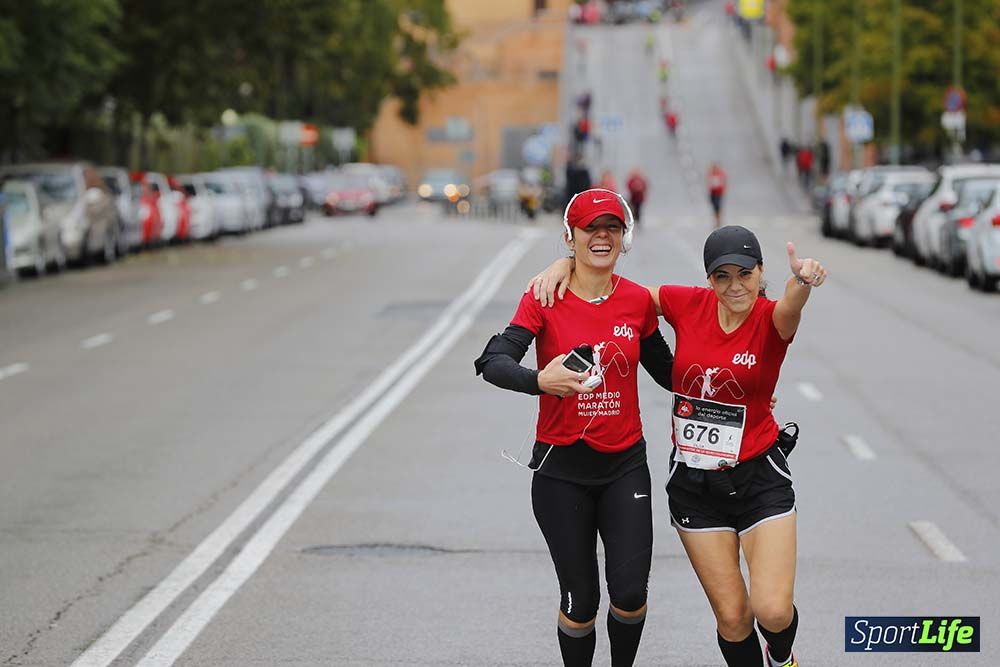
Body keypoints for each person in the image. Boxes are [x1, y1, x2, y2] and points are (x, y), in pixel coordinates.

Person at [526, 225, 828, 667]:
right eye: (722, 275)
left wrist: (802, 281)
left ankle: (781, 658)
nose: (734, 285)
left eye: (744, 273)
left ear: (760, 272)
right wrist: (566, 265)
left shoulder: (769, 317)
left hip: (759, 475)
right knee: (733, 617)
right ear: (708, 279)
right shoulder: (689, 303)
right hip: (694, 484)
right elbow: (617, 290)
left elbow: (791, 307)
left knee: (773, 611)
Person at [475, 190, 675, 667]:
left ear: (624, 237)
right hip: (560, 469)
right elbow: (493, 361)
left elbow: (670, 373)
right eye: (591, 227)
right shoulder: (545, 295)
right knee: (580, 600)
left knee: (628, 593)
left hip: (624, 464)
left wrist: (737, 386)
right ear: (572, 236)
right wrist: (540, 381)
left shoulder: (635, 301)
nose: (601, 236)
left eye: (612, 227)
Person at [707, 162, 727, 228]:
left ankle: (718, 222)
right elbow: (709, 183)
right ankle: (716, 221)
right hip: (712, 193)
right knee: (714, 207)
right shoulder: (711, 173)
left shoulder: (720, 174)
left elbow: (723, 183)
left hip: (718, 193)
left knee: (717, 207)